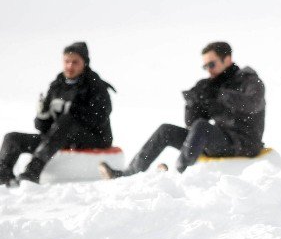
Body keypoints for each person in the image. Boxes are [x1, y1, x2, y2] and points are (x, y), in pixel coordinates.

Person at [99, 41, 265, 179]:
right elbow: (191, 124)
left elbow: (253, 104)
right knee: (166, 130)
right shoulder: (212, 85)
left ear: (227, 59)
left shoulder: (249, 80)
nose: (208, 69)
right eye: (205, 66)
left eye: (212, 64)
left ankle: (178, 175)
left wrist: (220, 96)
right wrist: (194, 103)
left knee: (202, 127)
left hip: (244, 143)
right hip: (220, 139)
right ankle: (129, 174)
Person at [0, 42, 114, 185]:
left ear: (84, 63)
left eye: (75, 62)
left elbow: (100, 117)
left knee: (66, 122)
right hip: (58, 137)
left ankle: (32, 172)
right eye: (67, 61)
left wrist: (72, 110)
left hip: (95, 138)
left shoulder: (95, 85)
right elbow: (44, 128)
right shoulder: (57, 86)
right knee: (12, 138)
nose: (70, 66)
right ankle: (3, 177)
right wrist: (42, 115)